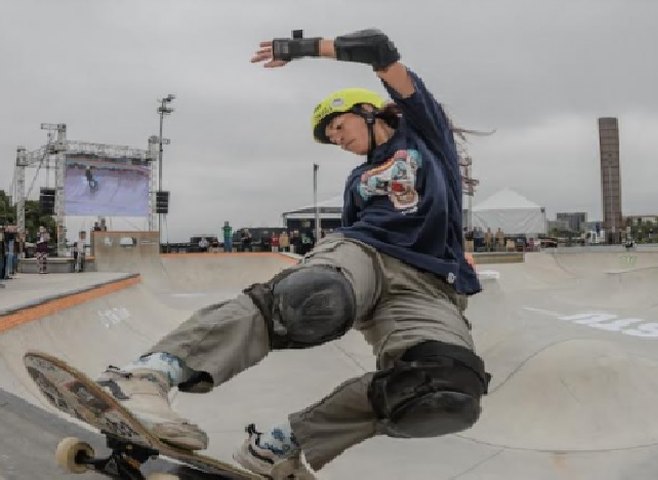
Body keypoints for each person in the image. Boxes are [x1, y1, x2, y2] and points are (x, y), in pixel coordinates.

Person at [95, 28, 489, 478]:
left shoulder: (424, 135)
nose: (336, 138)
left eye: (338, 126)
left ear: (368, 110)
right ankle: (147, 376)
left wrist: (302, 48)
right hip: (365, 253)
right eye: (329, 136)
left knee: (442, 389)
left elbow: (379, 48)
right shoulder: (356, 181)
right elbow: (347, 240)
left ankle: (278, 446)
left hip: (429, 287)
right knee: (312, 297)